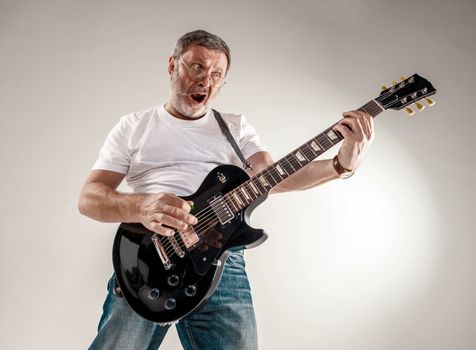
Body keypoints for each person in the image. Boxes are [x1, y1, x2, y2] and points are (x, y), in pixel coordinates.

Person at [78, 29, 374, 350]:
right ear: (172, 65)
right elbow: (90, 198)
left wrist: (343, 164)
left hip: (222, 264)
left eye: (218, 75)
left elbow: (273, 177)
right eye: (197, 67)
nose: (206, 81)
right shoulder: (133, 126)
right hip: (148, 260)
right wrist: (142, 207)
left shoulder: (235, 128)